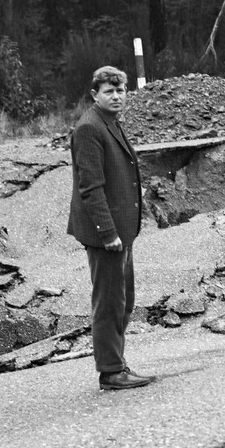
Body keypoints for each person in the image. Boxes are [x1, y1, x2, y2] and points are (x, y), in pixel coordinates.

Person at [67, 65, 155, 390]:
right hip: (107, 235)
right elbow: (90, 187)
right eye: (109, 91)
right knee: (108, 302)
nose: (116, 96)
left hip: (121, 231)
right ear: (95, 94)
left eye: (120, 90)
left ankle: (117, 363)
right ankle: (111, 371)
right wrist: (108, 233)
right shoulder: (89, 128)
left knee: (124, 300)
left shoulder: (110, 122)